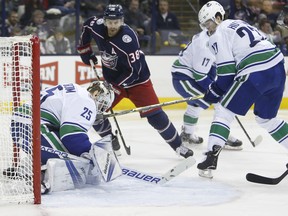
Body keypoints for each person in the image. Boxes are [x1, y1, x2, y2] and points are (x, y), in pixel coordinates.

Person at [77, 4, 193, 158]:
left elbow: (134, 71)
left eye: (116, 22)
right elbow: (86, 27)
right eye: (110, 22)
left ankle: (178, 146)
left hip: (138, 82)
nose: (113, 26)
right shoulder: (96, 25)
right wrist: (86, 52)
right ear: (104, 21)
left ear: (122, 21)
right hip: (112, 82)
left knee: (156, 116)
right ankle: (111, 141)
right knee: (94, 112)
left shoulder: (128, 39)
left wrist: (114, 87)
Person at [196, 1, 288, 178]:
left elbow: (226, 74)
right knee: (266, 119)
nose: (208, 29)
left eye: (209, 23)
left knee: (223, 110)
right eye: (204, 26)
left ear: (218, 17)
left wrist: (212, 93)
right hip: (277, 68)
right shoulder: (241, 23)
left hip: (256, 71)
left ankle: (210, 157)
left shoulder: (218, 34)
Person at [9, 81, 121, 193]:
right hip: (31, 125)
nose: (101, 107)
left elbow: (69, 134)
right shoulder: (87, 101)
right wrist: (91, 154)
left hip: (24, 123)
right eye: (103, 103)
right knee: (76, 162)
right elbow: (71, 137)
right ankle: (34, 177)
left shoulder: (77, 91)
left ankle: (26, 168)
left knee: (72, 154)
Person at [171, 29, 243, 150]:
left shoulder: (216, 40)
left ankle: (187, 134)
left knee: (197, 104)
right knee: (220, 104)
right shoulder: (205, 45)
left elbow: (211, 70)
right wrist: (216, 91)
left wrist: (217, 87)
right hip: (184, 79)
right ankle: (221, 137)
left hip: (190, 77)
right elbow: (200, 75)